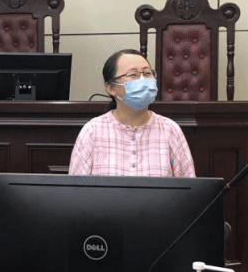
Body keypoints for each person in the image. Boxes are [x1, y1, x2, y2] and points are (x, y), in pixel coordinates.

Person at [68, 49, 195, 177]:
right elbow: (75, 187)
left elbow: (189, 186)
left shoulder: (170, 130)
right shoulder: (92, 131)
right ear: (110, 88)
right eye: (133, 75)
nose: (143, 81)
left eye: (147, 73)